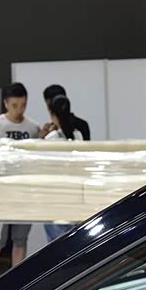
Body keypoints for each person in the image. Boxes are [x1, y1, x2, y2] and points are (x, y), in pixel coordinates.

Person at [0, 83, 40, 282]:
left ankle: (16, 280)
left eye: (23, 105)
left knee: (20, 238)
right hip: (1, 192)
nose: (19, 110)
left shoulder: (32, 127)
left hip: (23, 191)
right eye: (14, 105)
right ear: (6, 103)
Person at [42, 94, 84, 242]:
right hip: (76, 197)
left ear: (53, 115)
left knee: (56, 245)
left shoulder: (51, 138)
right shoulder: (78, 135)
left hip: (55, 198)